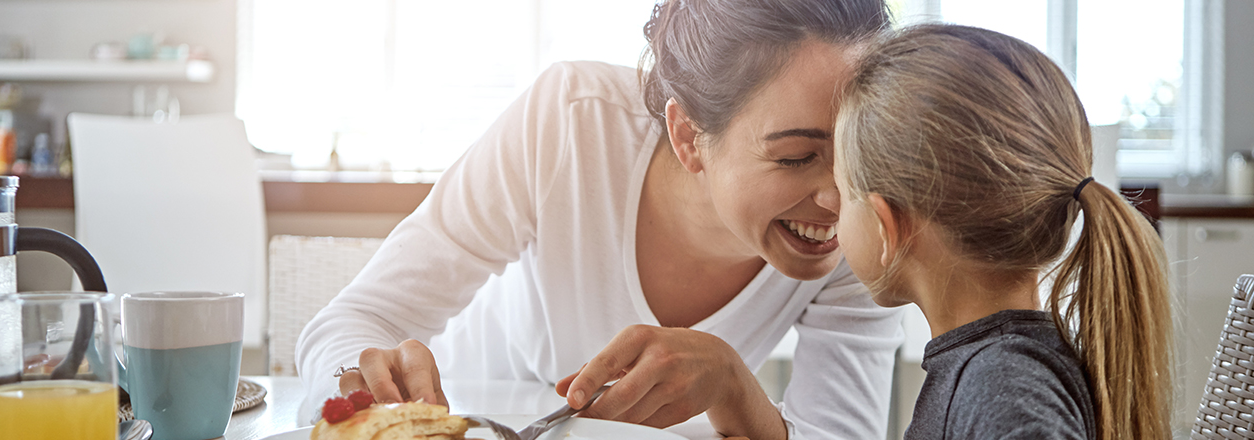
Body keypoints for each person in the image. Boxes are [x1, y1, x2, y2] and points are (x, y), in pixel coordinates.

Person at [297, 1, 903, 438]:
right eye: (797, 156)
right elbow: (355, 319)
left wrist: (733, 384)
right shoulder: (569, 124)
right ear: (688, 135)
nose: (840, 196)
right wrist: (360, 383)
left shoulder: (873, 218)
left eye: (859, 149)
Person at [831, 24, 1172, 440]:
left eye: (843, 190)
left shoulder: (1001, 386)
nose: (831, 209)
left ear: (889, 223)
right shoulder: (999, 369)